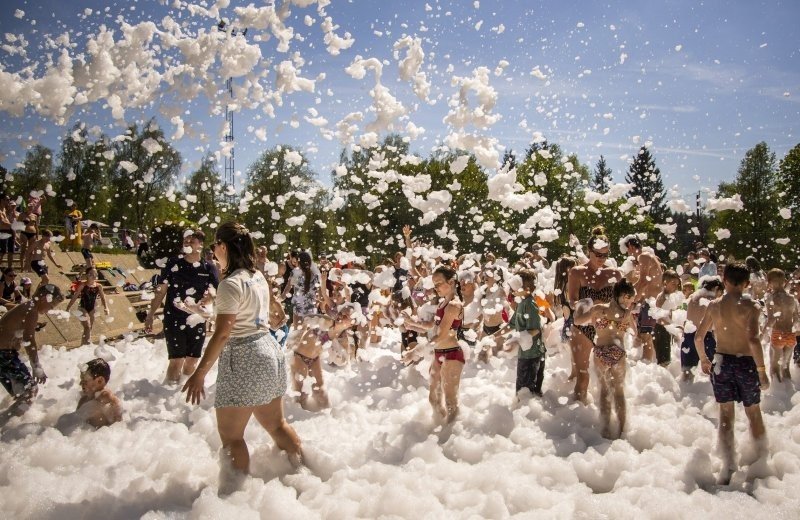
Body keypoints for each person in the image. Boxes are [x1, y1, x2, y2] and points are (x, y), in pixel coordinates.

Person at [182, 222, 303, 493]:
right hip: (269, 350)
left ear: (224, 247)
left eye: (214, 245)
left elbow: (223, 332)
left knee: (232, 437)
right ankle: (305, 476)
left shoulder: (230, 283)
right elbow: (275, 314)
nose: (212, 251)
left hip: (244, 355)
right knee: (277, 425)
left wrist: (199, 373)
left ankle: (235, 499)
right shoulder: (257, 276)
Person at [694, 262, 770, 485]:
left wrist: (704, 360)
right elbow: (754, 340)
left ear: (723, 280)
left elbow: (699, 337)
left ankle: (727, 466)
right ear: (747, 284)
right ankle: (760, 465)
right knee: (753, 413)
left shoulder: (715, 306)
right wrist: (762, 371)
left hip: (722, 362)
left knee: (726, 415)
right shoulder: (752, 306)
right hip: (746, 363)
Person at [145, 230, 219, 384]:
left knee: (192, 361)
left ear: (201, 244)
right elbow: (161, 291)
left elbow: (214, 290)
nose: (187, 244)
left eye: (191, 241)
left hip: (197, 319)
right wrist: (151, 314)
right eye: (185, 241)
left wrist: (211, 296)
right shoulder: (173, 264)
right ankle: (167, 392)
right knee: (177, 360)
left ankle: (182, 393)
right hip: (174, 318)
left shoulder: (208, 267)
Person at [573, 279, 637, 439]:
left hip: (601, 352)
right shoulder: (627, 314)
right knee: (619, 392)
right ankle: (622, 431)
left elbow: (577, 321)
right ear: (623, 296)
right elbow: (635, 332)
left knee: (604, 390)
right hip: (618, 353)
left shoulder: (599, 309)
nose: (630, 302)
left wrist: (580, 306)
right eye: (630, 299)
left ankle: (606, 429)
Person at [405, 265, 465, 423]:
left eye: (438, 283)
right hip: (439, 353)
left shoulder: (454, 305)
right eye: (434, 284)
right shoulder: (442, 304)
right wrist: (412, 324)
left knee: (451, 402)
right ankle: (440, 431)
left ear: (451, 282)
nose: (435, 287)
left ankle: (451, 438)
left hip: (452, 354)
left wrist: (416, 351)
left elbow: (441, 335)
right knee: (434, 399)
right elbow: (433, 325)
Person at [568, 227, 621, 404]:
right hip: (583, 326)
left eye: (605, 255)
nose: (601, 259)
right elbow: (573, 301)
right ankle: (578, 421)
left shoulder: (614, 274)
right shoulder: (577, 272)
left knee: (609, 378)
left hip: (606, 328)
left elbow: (622, 302)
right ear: (589, 252)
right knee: (583, 378)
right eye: (598, 254)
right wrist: (589, 307)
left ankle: (606, 421)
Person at [0, 284, 64, 401]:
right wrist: (36, 366)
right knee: (30, 390)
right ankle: (20, 418)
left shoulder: (27, 306)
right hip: (4, 356)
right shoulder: (32, 310)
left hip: (5, 355)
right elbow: (28, 339)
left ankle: (12, 418)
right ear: (45, 298)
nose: (50, 310)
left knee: (20, 393)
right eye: (51, 306)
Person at [289, 306, 355, 409]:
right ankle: (296, 418)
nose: (340, 316)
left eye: (345, 316)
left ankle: (326, 417)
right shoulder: (326, 321)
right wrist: (297, 336)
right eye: (340, 313)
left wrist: (336, 354)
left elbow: (343, 361)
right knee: (300, 395)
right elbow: (305, 319)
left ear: (352, 322)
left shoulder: (343, 338)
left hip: (314, 359)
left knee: (320, 391)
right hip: (299, 357)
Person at [623, 235, 664, 363]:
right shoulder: (644, 258)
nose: (628, 254)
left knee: (646, 335)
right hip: (651, 301)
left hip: (654, 302)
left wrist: (629, 298)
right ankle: (647, 361)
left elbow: (643, 282)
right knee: (643, 335)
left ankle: (647, 363)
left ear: (630, 246)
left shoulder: (644, 256)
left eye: (627, 250)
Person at [506, 269, 545, 398]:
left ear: (527, 288)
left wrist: (515, 340)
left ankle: (530, 416)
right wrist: (491, 338)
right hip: (527, 353)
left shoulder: (530, 304)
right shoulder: (522, 303)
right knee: (526, 392)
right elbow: (511, 325)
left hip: (532, 355)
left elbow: (535, 329)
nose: (512, 291)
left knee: (526, 393)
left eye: (516, 287)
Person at [680, 276, 724, 382]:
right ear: (716, 289)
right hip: (705, 338)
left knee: (687, 373)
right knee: (716, 372)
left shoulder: (693, 297)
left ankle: (685, 392)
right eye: (721, 292)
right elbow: (717, 326)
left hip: (688, 337)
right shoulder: (712, 301)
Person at [763, 268, 799, 382]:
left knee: (774, 367)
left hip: (778, 334)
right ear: (784, 281)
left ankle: (777, 394)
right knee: (785, 367)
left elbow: (771, 320)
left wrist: (761, 336)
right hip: (791, 335)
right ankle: (788, 395)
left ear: (769, 282)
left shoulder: (771, 298)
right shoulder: (792, 299)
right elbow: (797, 320)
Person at [66, 267, 110, 346]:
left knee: (89, 328)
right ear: (87, 275)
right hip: (82, 308)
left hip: (92, 309)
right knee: (87, 326)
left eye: (95, 274)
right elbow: (75, 296)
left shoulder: (98, 286)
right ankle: (87, 344)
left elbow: (103, 298)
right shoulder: (83, 285)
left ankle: (83, 345)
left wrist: (106, 307)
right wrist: (68, 308)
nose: (93, 276)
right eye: (91, 274)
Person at [76, 358, 123, 428]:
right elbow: (74, 422)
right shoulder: (83, 400)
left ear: (100, 381)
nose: (80, 384)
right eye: (81, 380)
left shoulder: (105, 395)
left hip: (103, 436)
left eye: (85, 381)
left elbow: (119, 419)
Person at [282, 251, 320, 327]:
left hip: (298, 308)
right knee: (308, 334)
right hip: (311, 308)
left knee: (297, 334)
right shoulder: (316, 275)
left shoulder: (295, 273)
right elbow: (318, 293)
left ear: (299, 262)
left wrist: (281, 298)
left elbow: (287, 288)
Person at [653, 270, 681, 367]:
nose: (676, 286)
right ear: (665, 282)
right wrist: (672, 327)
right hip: (661, 329)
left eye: (677, 284)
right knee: (663, 360)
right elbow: (658, 318)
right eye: (673, 283)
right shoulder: (662, 297)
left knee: (666, 357)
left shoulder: (669, 296)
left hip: (665, 329)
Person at [0, 195, 15, 270]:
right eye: (7, 200)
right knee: (3, 251)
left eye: (9, 200)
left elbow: (8, 219)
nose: (9, 201)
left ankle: (9, 268)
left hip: (10, 230)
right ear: (2, 200)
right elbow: (2, 222)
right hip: (3, 231)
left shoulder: (5, 210)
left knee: (11, 251)